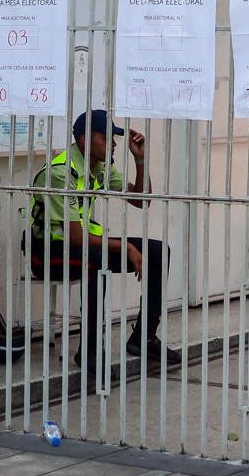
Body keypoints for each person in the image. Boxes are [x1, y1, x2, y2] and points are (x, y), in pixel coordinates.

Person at [28, 110, 185, 369]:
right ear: (85, 139)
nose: (113, 143)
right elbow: (76, 237)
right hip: (48, 250)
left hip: (82, 246)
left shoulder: (99, 168)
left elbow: (141, 200)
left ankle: (143, 337)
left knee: (157, 251)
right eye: (107, 137)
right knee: (96, 259)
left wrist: (140, 159)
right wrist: (124, 246)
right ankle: (89, 351)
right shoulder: (60, 173)